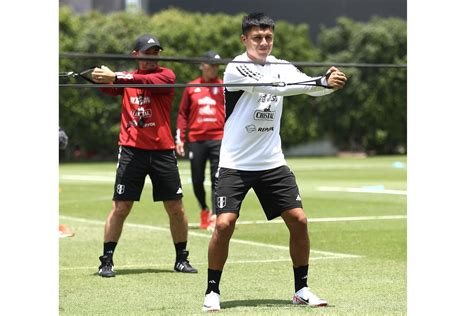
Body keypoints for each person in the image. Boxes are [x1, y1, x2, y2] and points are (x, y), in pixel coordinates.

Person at [202, 13, 347, 311]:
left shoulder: (281, 66)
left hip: (271, 162)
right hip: (235, 163)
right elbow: (274, 87)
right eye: (257, 38)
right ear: (244, 39)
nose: (264, 43)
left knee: (299, 220)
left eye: (268, 37)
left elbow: (306, 85)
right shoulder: (236, 67)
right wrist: (317, 81)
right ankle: (212, 291)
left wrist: (328, 83)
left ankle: (302, 289)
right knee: (225, 224)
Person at [91, 34, 197, 277]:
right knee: (121, 207)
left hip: (162, 152)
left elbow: (143, 82)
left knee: (175, 207)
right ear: (135, 55)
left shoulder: (166, 76)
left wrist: (115, 76)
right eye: (147, 53)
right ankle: (106, 261)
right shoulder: (126, 80)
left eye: (155, 53)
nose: (152, 57)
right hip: (131, 151)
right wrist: (99, 77)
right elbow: (109, 87)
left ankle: (181, 259)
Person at [175, 50, 225, 231]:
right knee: (197, 180)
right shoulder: (191, 87)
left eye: (217, 65)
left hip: (219, 138)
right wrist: (180, 138)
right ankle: (204, 208)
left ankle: (215, 215)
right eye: (211, 65)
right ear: (202, 65)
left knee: (217, 179)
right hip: (196, 140)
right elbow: (182, 114)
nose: (214, 68)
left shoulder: (225, 86)